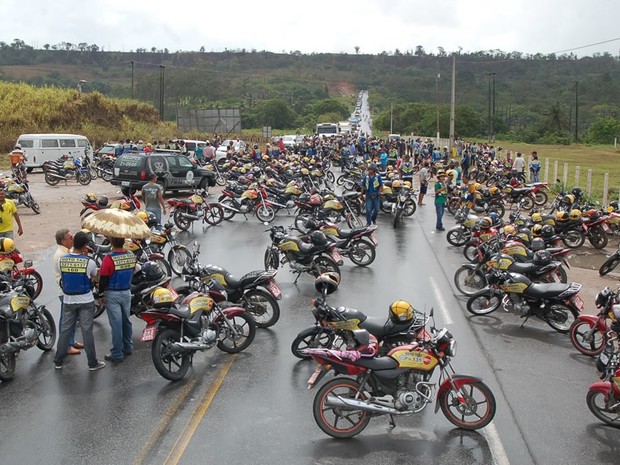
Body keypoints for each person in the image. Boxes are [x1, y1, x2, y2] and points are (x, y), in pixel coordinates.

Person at [54, 231, 105, 371]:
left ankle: (58, 361)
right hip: (86, 301)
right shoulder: (89, 262)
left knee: (65, 331)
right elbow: (95, 278)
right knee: (87, 331)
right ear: (84, 246)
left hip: (68, 301)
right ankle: (92, 363)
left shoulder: (61, 260)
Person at [99, 236, 137, 362]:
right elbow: (133, 270)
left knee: (116, 324)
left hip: (113, 293)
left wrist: (100, 295)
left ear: (112, 243)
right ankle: (128, 346)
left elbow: (104, 278)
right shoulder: (131, 255)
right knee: (126, 321)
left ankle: (116, 353)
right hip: (126, 292)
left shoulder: (108, 258)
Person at [53, 229, 83, 356]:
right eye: (70, 238)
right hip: (65, 291)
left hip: (68, 290)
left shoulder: (67, 252)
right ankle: (66, 345)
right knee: (66, 320)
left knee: (71, 318)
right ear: (63, 241)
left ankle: (71, 341)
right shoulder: (61, 255)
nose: (73, 239)